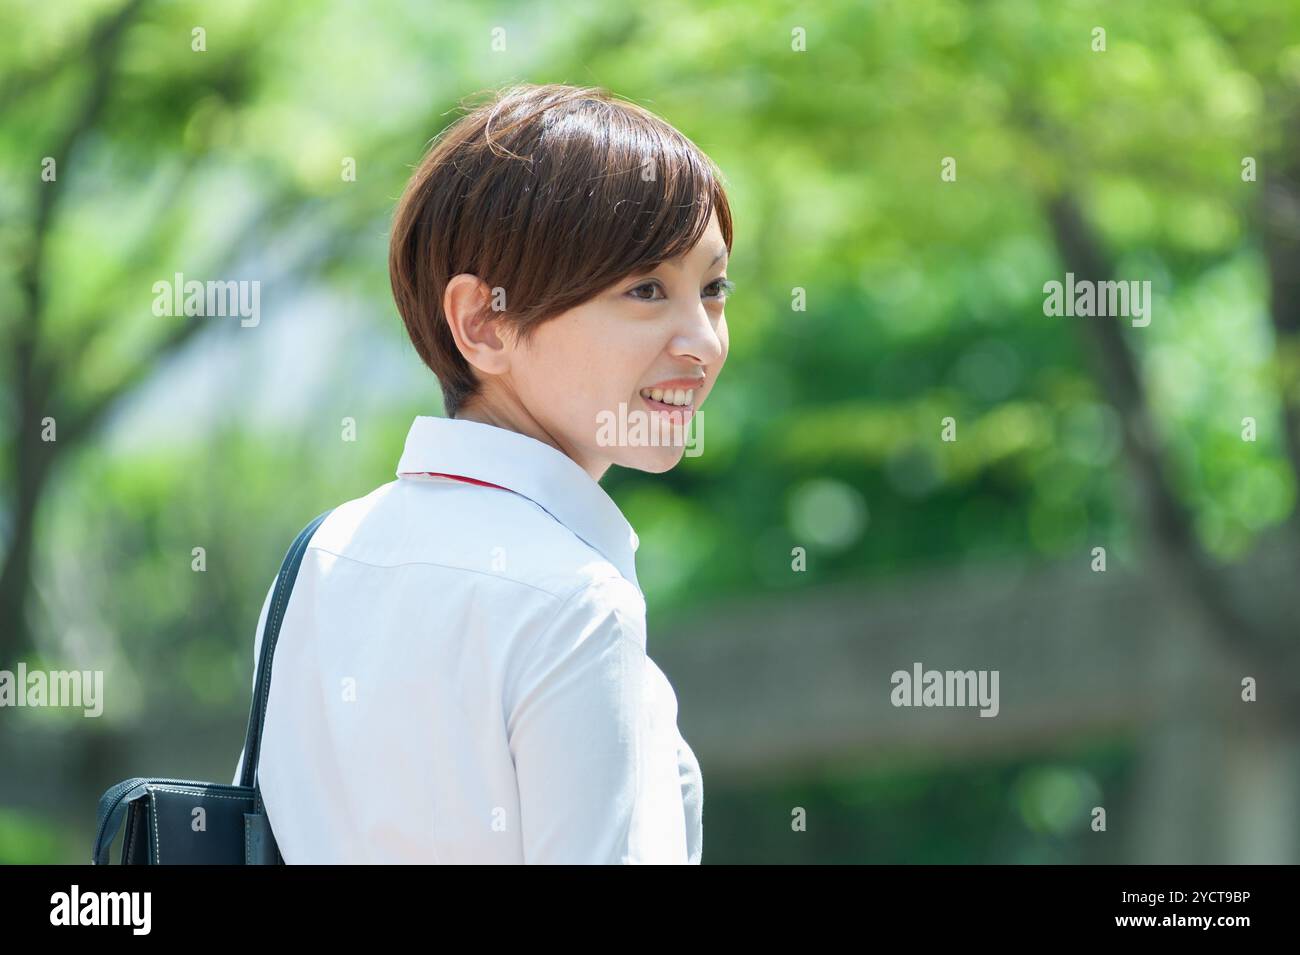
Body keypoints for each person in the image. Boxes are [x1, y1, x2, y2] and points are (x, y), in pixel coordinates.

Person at [233, 82, 733, 863]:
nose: (701, 340)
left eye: (713, 288)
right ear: (484, 322)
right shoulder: (575, 600)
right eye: (646, 289)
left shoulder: (320, 555)